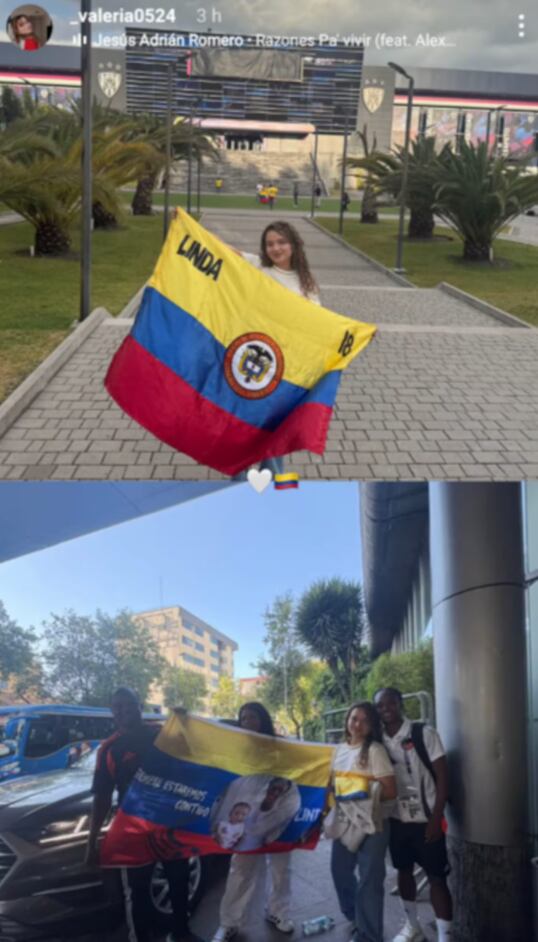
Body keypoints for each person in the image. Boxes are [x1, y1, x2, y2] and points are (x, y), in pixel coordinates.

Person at [85, 687, 202, 942]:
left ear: (139, 706)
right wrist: (92, 838)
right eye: (118, 707)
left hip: (170, 824)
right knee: (137, 892)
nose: (124, 710)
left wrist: (185, 724)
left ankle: (181, 934)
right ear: (112, 712)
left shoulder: (161, 735)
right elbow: (102, 797)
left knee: (179, 881)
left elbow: (191, 757)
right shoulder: (108, 749)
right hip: (134, 830)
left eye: (129, 705)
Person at [238, 221, 321, 477]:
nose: (276, 248)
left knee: (275, 428)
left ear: (294, 245)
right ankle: (239, 477)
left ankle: (271, 479)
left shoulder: (306, 283)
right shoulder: (259, 267)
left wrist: (356, 334)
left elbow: (320, 323)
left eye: (281, 242)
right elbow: (224, 251)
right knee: (244, 426)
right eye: (270, 243)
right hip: (251, 359)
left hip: (284, 368)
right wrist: (185, 222)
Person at [211, 702, 296, 941]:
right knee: (241, 869)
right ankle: (229, 923)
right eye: (243, 718)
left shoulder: (280, 746)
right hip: (247, 816)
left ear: (263, 719)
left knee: (281, 868)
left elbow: (295, 773)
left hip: (276, 813)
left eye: (252, 717)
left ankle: (278, 912)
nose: (247, 722)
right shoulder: (236, 748)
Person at [374, 688, 453, 942]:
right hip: (397, 820)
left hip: (426, 820)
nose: (386, 709)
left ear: (400, 703)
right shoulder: (378, 741)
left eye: (390, 703)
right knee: (403, 872)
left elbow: (442, 777)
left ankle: (445, 936)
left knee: (437, 879)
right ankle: (412, 927)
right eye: (380, 706)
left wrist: (436, 817)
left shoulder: (423, 733)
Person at [329, 702, 397, 942]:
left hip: (372, 822)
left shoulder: (375, 750)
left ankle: (369, 935)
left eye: (364, 720)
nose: (357, 724)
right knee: (339, 872)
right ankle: (355, 918)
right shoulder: (337, 750)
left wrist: (355, 789)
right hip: (345, 821)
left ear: (371, 727)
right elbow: (332, 785)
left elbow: (390, 790)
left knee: (369, 880)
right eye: (354, 718)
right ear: (347, 719)